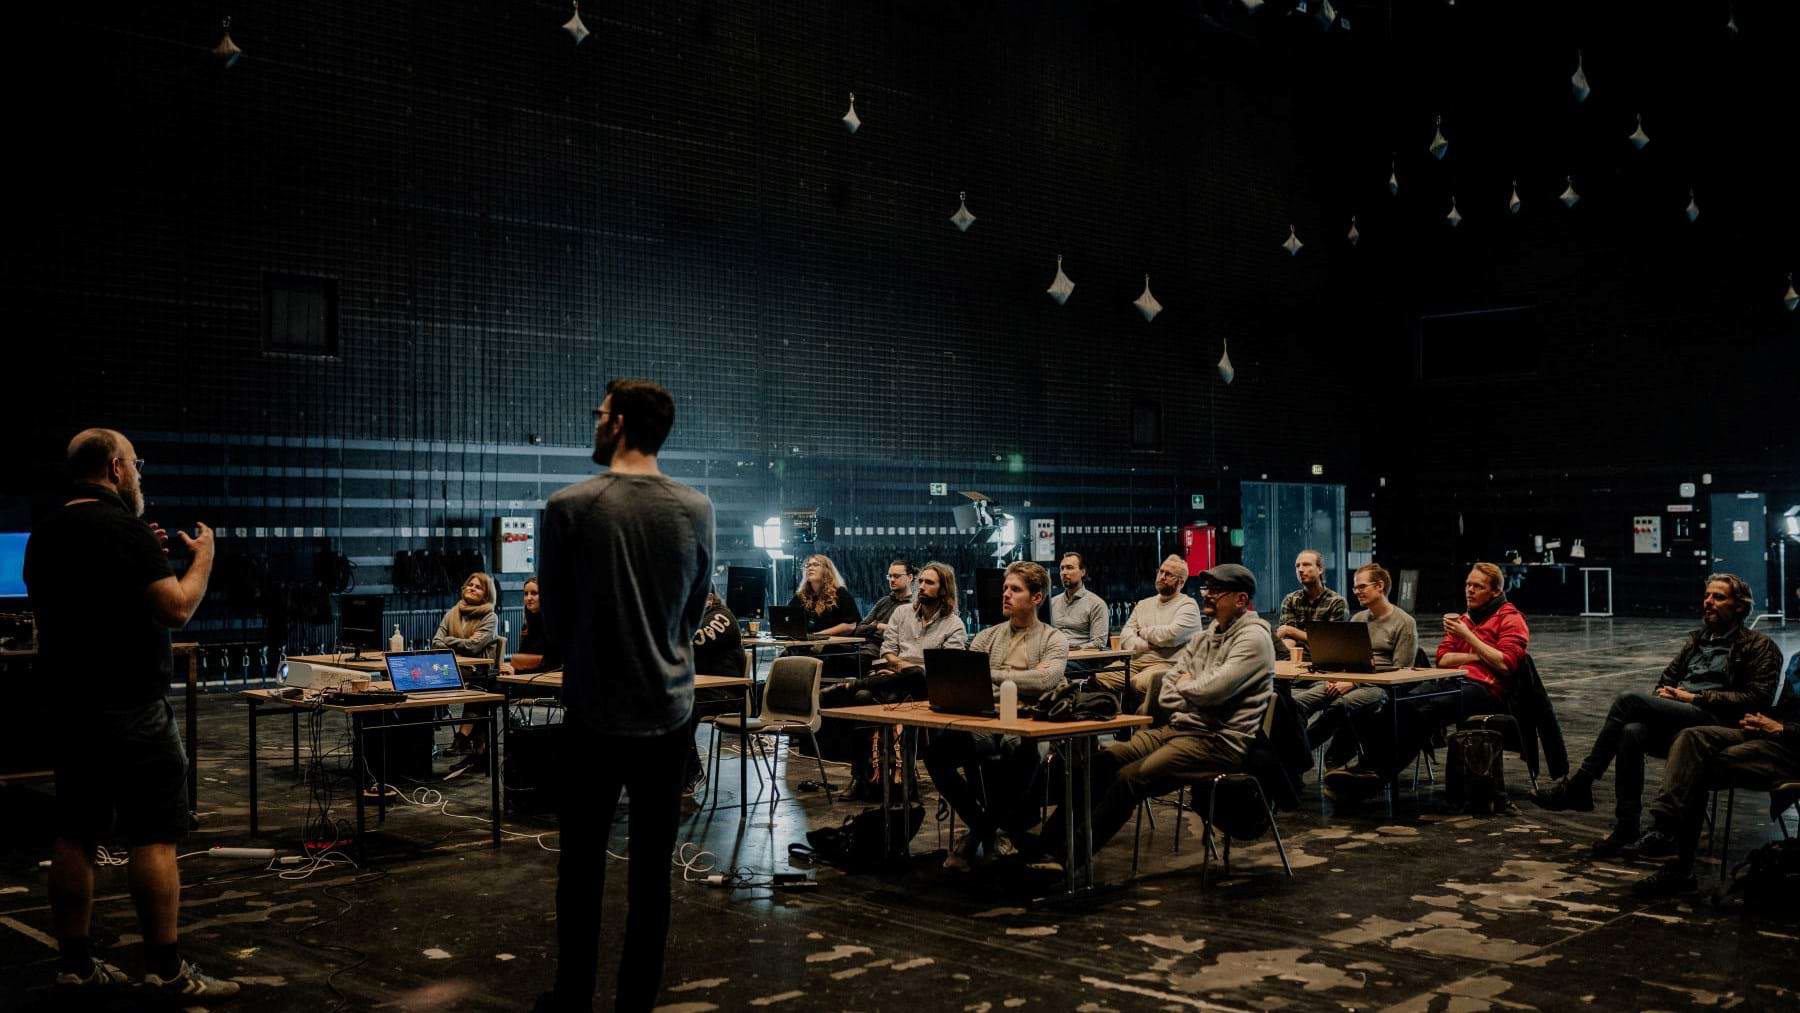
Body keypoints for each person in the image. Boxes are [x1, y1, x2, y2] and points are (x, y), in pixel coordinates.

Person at [23, 429, 239, 999]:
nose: (139, 475)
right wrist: (203, 559)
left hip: (71, 707)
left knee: (75, 835)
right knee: (154, 835)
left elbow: (92, 594)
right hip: (133, 707)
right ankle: (166, 972)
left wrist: (147, 558)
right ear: (116, 469)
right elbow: (177, 608)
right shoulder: (124, 529)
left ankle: (75, 966)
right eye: (136, 465)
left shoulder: (46, 532)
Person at [535, 379, 713, 1013]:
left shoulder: (569, 506)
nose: (595, 422)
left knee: (580, 870)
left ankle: (574, 999)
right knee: (652, 877)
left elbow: (554, 617)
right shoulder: (696, 508)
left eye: (600, 413)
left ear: (618, 424)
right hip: (669, 711)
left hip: (592, 712)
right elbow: (693, 610)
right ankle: (635, 1004)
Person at [1036, 563, 1274, 868]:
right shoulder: (1207, 637)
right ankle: (1043, 847)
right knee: (1101, 763)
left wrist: (1192, 686)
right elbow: (1168, 691)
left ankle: (1066, 861)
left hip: (1218, 741)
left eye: (1217, 591)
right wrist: (1193, 687)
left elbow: (1210, 691)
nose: (1207, 595)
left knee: (1129, 779)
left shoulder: (1253, 639)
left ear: (1241, 599)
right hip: (1179, 730)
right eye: (1207, 589)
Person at [1535, 574, 1779, 857]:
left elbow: (1757, 699)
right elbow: (1666, 681)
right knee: (1632, 731)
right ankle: (1626, 826)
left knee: (1628, 701)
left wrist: (1695, 697)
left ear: (1739, 606)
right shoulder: (1697, 641)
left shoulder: (1759, 646)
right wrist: (1667, 698)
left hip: (1718, 723)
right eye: (1707, 596)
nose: (1708, 602)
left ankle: (1581, 784)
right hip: (1682, 714)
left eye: (1718, 597)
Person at [1324, 562, 1526, 803]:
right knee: (1397, 704)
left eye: (1478, 586)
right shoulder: (1464, 618)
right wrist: (1478, 655)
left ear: (1495, 591)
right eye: (1467, 585)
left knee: (1426, 709)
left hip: (1485, 689)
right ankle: (1367, 769)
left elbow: (1505, 663)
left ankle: (1375, 775)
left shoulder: (1510, 618)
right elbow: (1443, 658)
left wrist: (1468, 637)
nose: (1469, 590)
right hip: (1452, 680)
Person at [923, 561, 1068, 871]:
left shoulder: (1053, 639)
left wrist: (994, 675)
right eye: (1005, 588)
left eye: (1015, 589)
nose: (1005, 594)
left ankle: (976, 836)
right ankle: (988, 830)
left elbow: (1046, 680)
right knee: (936, 754)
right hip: (987, 720)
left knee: (1022, 749)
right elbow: (971, 680)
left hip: (1031, 723)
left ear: (1036, 598)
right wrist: (1020, 679)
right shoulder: (987, 637)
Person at [1634, 710, 1800, 897]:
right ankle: (1664, 824)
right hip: (1768, 733)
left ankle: (1681, 865)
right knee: (1691, 737)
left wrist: (1782, 728)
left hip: (1790, 750)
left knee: (1701, 763)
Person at [1291, 564, 1417, 773]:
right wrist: (1335, 676)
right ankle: (1293, 754)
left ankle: (1297, 758)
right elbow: (1346, 658)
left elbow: (1401, 672)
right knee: (1296, 703)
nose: (1357, 591)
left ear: (1379, 586)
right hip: (1347, 679)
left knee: (1340, 706)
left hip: (1379, 687)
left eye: (1362, 586)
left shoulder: (1404, 622)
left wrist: (1355, 682)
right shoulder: (1359, 619)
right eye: (1355, 587)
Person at [1104, 555, 1203, 698]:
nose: (1162, 577)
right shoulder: (1143, 604)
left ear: (1181, 582)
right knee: (1099, 678)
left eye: (1168, 574)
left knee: (1139, 683)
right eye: (1161, 572)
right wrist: (1146, 645)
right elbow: (1125, 637)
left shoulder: (1188, 605)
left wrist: (1141, 632)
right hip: (1135, 662)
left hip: (1168, 664)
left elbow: (1171, 636)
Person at [437, 571, 500, 779]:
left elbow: (474, 646)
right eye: (470, 585)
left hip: (478, 673)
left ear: (486, 594)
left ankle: (465, 739)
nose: (472, 588)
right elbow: (436, 641)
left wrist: (449, 641)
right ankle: (476, 752)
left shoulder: (490, 617)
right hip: (450, 670)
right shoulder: (452, 613)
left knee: (479, 688)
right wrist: (456, 643)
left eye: (478, 587)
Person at [683, 590, 746, 794]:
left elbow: (694, 641)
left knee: (678, 708)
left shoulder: (721, 617)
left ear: (709, 597)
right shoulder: (692, 617)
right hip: (701, 689)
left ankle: (692, 771)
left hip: (724, 692)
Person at [786, 554, 861, 677]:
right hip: (807, 646)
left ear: (826, 570)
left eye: (815, 565)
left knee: (799, 661)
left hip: (834, 649)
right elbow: (786, 617)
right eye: (808, 565)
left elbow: (850, 625)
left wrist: (818, 636)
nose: (810, 568)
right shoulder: (801, 596)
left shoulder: (840, 593)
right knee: (783, 660)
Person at [1273, 549, 1347, 659]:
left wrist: (1291, 631)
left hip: (1326, 661)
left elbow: (1332, 642)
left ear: (1320, 569)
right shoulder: (1290, 599)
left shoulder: (1336, 602)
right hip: (1294, 659)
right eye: (1297, 566)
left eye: (1306, 565)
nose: (1300, 570)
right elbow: (1288, 638)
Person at [852, 560, 915, 667]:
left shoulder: (914, 605)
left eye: (897, 576)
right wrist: (878, 626)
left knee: (847, 660)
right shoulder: (884, 601)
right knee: (829, 651)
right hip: (865, 646)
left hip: (884, 651)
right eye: (890, 576)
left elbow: (907, 634)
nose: (892, 580)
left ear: (910, 577)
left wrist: (875, 626)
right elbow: (859, 630)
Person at [1051, 552, 1109, 649]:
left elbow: (1099, 643)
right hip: (1053, 654)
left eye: (1069, 568)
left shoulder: (1096, 604)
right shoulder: (1052, 603)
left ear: (1082, 572)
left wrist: (1073, 648)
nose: (1064, 572)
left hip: (1081, 655)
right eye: (1062, 568)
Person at [499, 576, 553, 677]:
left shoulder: (552, 627)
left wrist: (516, 672)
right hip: (526, 676)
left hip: (545, 679)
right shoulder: (527, 626)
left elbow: (551, 666)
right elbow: (522, 659)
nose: (528, 598)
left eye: (534, 593)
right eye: (526, 594)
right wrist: (510, 667)